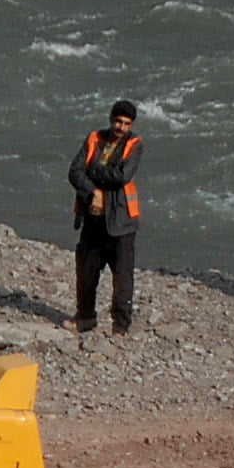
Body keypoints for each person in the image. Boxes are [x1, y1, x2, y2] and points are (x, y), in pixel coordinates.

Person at [68, 99, 142, 335]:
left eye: (126, 123)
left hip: (121, 222)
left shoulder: (135, 145)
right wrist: (93, 191)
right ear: (111, 119)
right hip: (93, 219)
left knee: (122, 277)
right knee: (86, 271)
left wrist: (93, 172)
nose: (121, 127)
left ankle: (120, 326)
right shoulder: (94, 139)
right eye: (118, 121)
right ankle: (85, 317)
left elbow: (122, 176)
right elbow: (74, 172)